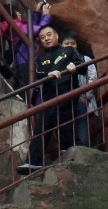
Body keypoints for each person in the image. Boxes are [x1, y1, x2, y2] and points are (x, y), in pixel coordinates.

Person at [27, 24, 83, 167]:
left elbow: (81, 63)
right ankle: (67, 147)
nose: (46, 39)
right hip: (50, 94)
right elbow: (39, 75)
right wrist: (49, 75)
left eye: (49, 35)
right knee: (51, 118)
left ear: (57, 36)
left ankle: (34, 161)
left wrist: (73, 66)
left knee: (47, 119)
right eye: (42, 37)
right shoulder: (41, 58)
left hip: (67, 90)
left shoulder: (69, 50)